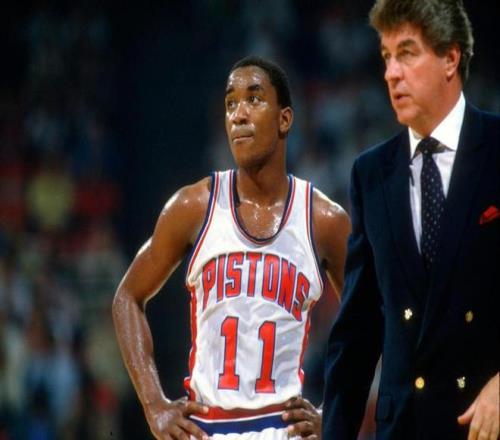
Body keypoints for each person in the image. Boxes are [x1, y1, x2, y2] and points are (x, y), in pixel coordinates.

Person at [113, 55, 350, 439]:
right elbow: (127, 297)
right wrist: (154, 404)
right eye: (230, 103)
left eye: (254, 99)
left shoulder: (323, 220)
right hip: (207, 426)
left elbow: (371, 319)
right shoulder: (193, 206)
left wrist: (338, 412)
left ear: (285, 119)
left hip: (282, 428)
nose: (238, 114)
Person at [322, 0, 499, 439]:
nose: (391, 73)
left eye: (406, 53)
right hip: (403, 428)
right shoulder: (371, 173)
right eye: (386, 57)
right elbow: (357, 333)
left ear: (450, 59)